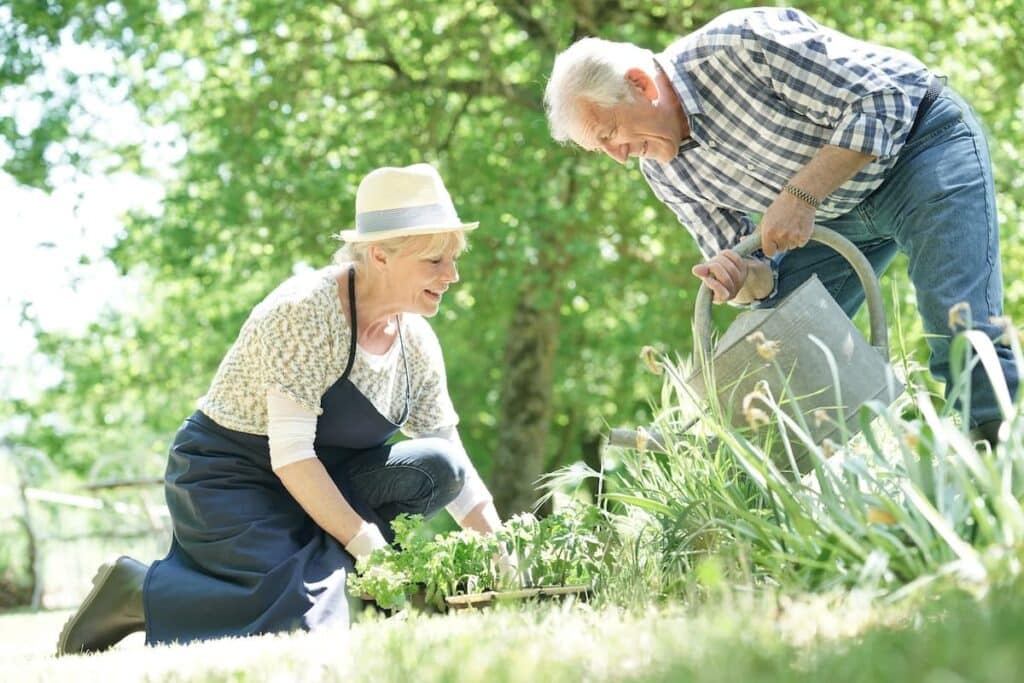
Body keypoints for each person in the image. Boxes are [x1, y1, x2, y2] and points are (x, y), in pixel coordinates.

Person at [57, 163, 505, 654]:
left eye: (453, 259)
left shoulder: (415, 343)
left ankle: (348, 584)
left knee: (441, 467)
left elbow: (450, 453)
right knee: (302, 618)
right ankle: (136, 593)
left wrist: (503, 554)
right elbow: (291, 456)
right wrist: (371, 550)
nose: (453, 275)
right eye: (436, 261)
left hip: (327, 485)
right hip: (232, 479)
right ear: (380, 253)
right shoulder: (305, 311)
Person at [543, 6, 1017, 441]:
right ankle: (803, 504)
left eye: (611, 135)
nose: (619, 157)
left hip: (920, 144)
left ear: (641, 85)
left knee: (957, 320)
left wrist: (801, 193)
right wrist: (738, 278)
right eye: (601, 149)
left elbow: (885, 102)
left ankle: (1000, 483)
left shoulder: (740, 44)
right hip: (833, 215)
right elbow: (760, 278)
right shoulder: (663, 169)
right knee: (771, 352)